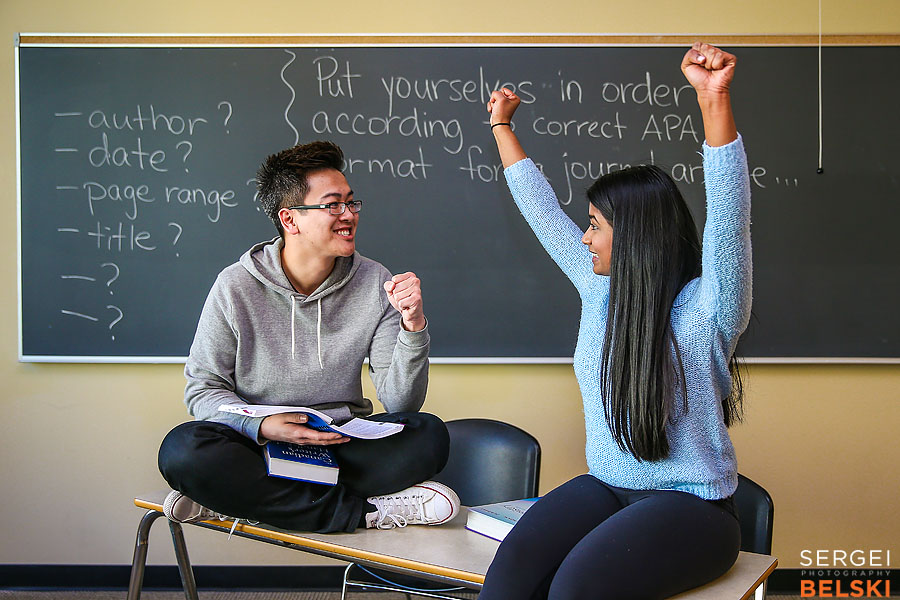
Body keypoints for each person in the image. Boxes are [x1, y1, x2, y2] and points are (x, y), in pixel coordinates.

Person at [478, 43, 751, 599]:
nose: (584, 237)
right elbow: (542, 213)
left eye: (596, 224)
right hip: (608, 486)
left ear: (634, 237)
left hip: (694, 506)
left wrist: (713, 100)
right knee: (509, 579)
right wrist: (502, 128)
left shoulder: (708, 309)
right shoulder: (599, 288)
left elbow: (730, 215)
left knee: (575, 589)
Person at [157, 140, 459, 534]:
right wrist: (265, 426)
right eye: (332, 205)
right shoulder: (234, 286)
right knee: (182, 451)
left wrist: (413, 326)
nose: (348, 214)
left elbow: (403, 401)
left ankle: (237, 499)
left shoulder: (376, 282)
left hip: (339, 445)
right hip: (258, 445)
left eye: (351, 202)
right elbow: (203, 390)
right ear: (290, 219)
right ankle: (361, 513)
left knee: (429, 435)